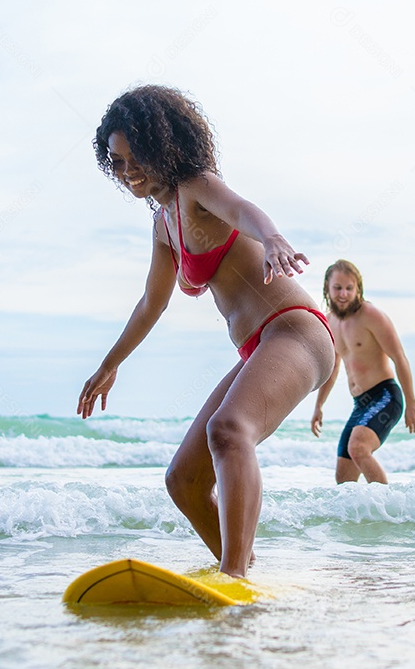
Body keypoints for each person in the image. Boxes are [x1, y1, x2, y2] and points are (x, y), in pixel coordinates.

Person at [76, 85, 335, 578]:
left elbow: (241, 211)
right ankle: (240, 572)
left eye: (137, 156)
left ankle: (233, 576)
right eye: (118, 161)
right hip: (256, 347)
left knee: (229, 430)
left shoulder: (196, 186)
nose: (128, 170)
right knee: (184, 480)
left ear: (162, 145)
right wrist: (109, 365)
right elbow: (151, 303)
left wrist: (273, 237)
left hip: (296, 331)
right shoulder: (162, 226)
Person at [311, 259, 415, 483]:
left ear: (358, 289)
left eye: (349, 288)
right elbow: (333, 368)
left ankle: (389, 507)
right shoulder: (329, 322)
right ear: (327, 288)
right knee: (344, 481)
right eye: (338, 288)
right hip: (360, 404)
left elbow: (399, 357)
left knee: (359, 447)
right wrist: (319, 406)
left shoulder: (372, 316)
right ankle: (362, 516)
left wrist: (411, 403)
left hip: (385, 396)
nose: (343, 294)